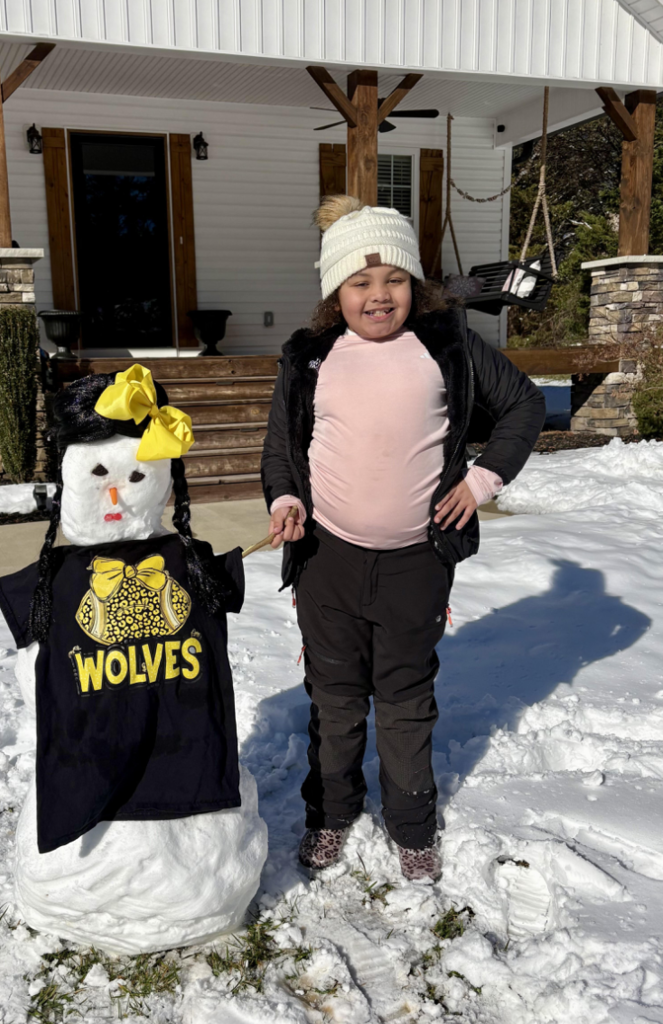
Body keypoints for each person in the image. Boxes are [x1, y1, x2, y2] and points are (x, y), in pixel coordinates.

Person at [261, 195, 545, 880]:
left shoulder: (448, 346)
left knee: (405, 697)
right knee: (332, 696)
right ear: (337, 291)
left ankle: (411, 823)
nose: (378, 295)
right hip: (327, 560)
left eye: (393, 279)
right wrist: (287, 497)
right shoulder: (310, 357)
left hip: (417, 563)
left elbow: (525, 405)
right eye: (361, 282)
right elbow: (280, 446)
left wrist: (479, 484)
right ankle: (331, 814)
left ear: (414, 285)